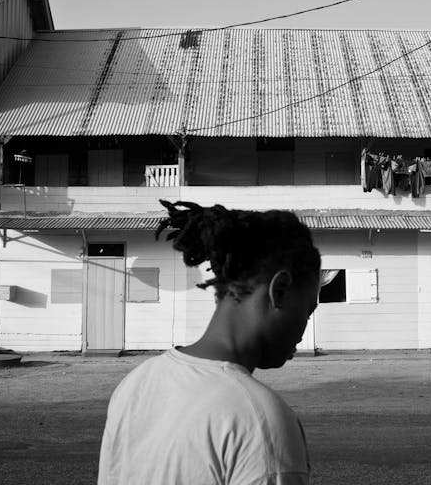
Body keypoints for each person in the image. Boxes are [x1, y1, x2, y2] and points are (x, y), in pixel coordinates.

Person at [98, 200, 322, 485]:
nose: (305, 326)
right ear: (279, 290)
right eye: (307, 310)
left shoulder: (136, 384)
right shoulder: (261, 420)